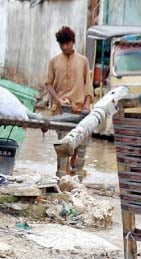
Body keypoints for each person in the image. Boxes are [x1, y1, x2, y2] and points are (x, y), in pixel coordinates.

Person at [45, 26, 93, 175]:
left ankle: (74, 169)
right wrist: (58, 100)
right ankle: (62, 175)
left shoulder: (83, 61)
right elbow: (48, 84)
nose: (65, 47)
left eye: (67, 43)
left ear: (73, 42)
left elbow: (88, 84)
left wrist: (87, 103)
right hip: (62, 110)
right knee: (63, 143)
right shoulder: (54, 62)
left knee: (80, 143)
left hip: (79, 109)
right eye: (62, 44)